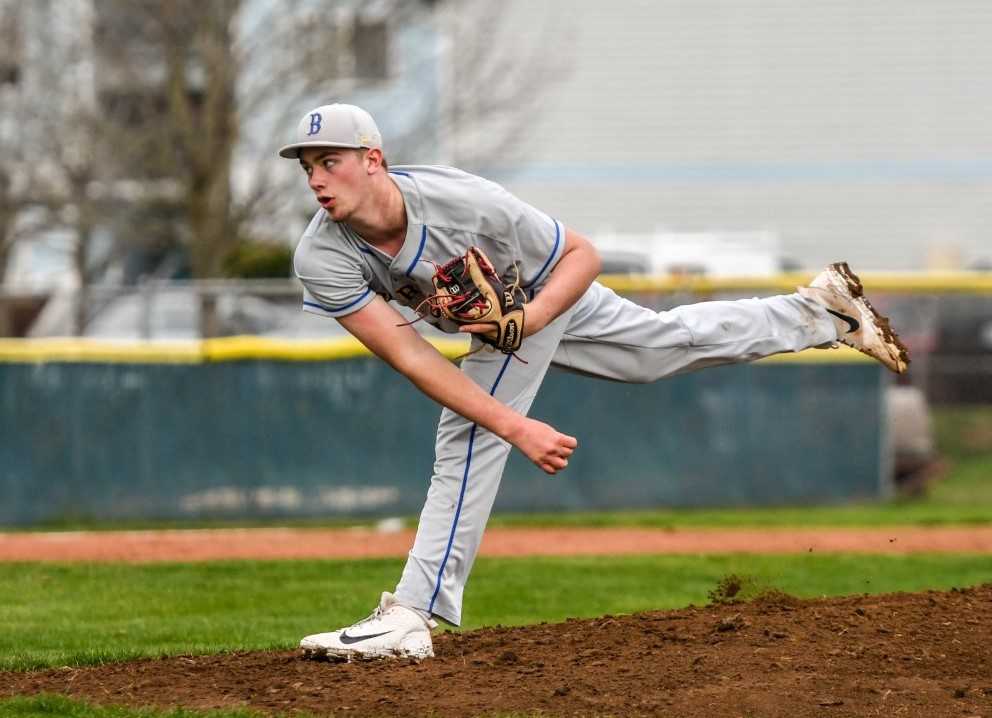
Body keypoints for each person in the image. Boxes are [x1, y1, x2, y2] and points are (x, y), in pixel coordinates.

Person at [279, 103, 909, 661]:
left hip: (541, 293)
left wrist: (530, 323)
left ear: (372, 159)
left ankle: (412, 612)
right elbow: (414, 358)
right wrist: (516, 421)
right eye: (307, 167)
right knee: (657, 350)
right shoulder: (323, 254)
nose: (316, 180)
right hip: (514, 316)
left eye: (329, 161)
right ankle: (820, 312)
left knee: (470, 434)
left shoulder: (465, 204)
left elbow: (582, 255)